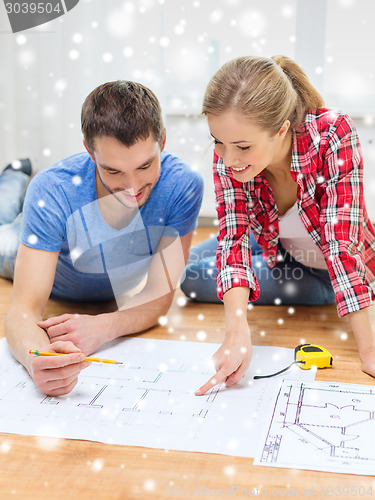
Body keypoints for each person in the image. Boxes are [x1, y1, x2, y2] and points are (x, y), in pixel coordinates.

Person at [184, 55, 375, 396]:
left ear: (282, 130)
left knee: (189, 279)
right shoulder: (229, 155)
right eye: (217, 141)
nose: (228, 159)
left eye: (243, 147)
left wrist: (370, 351)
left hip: (322, 272)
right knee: (183, 260)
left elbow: (339, 245)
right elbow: (234, 236)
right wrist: (236, 330)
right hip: (274, 240)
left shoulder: (333, 134)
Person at [3, 81, 203, 397]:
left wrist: (104, 326)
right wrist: (37, 360)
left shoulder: (184, 187)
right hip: (21, 254)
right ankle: (13, 177)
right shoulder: (51, 190)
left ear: (162, 141)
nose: (132, 187)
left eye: (145, 165)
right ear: (89, 151)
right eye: (113, 171)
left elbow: (158, 296)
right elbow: (23, 311)